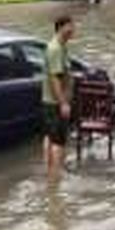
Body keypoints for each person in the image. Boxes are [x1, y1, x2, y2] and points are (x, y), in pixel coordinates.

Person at [42, 15, 76, 175]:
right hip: (55, 102)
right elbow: (55, 78)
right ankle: (56, 176)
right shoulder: (55, 49)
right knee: (58, 140)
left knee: (50, 135)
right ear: (60, 27)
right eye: (69, 26)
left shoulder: (61, 46)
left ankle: (49, 169)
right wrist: (63, 103)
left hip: (52, 101)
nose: (73, 30)